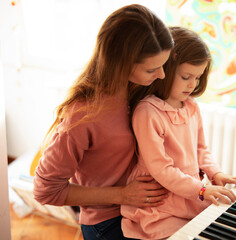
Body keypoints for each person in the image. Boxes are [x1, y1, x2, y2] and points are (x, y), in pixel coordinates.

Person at [32, 4, 174, 240]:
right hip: (108, 223)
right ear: (122, 63)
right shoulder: (82, 116)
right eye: (152, 69)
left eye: (164, 65)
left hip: (143, 212)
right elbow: (45, 191)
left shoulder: (136, 91)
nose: (162, 75)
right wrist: (122, 195)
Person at [121, 27, 236, 240]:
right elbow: (161, 169)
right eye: (186, 76)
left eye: (197, 78)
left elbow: (201, 149)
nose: (192, 84)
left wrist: (216, 174)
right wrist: (200, 190)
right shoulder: (147, 112)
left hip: (189, 194)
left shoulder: (191, 106)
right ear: (166, 70)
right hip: (160, 204)